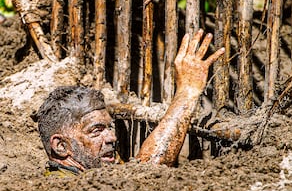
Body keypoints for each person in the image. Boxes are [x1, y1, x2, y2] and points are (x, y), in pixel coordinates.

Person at [34, 30, 225, 176]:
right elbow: (145, 174)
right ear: (61, 146)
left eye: (108, 128)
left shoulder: (89, 177)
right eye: (96, 130)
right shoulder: (66, 188)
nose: (112, 138)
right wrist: (187, 91)